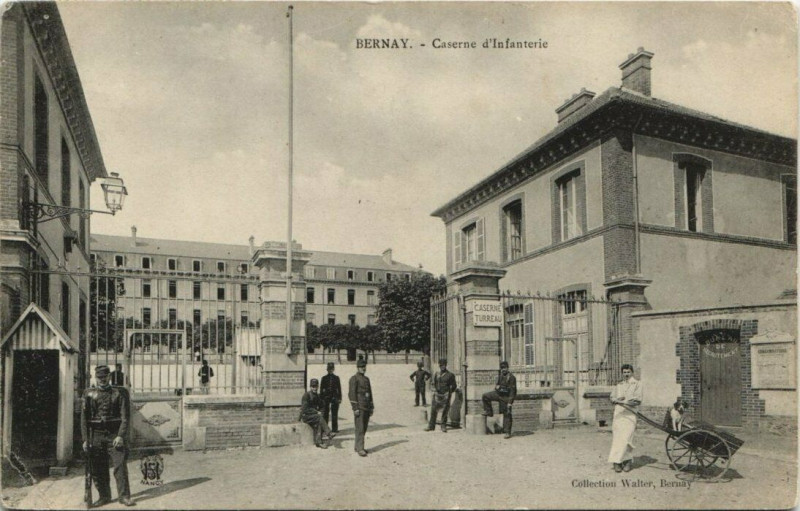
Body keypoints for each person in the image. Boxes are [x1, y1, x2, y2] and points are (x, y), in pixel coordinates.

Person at [81, 365, 135, 507]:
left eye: (105, 377)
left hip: (114, 434)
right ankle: (104, 496)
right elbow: (84, 419)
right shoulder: (88, 394)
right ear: (95, 378)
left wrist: (120, 436)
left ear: (109, 377)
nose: (102, 380)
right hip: (96, 435)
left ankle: (124, 496)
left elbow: (125, 418)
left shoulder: (120, 393)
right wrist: (86, 439)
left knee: (120, 466)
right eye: (99, 378)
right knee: (98, 468)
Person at [608, 364, 643, 473]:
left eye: (628, 372)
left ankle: (627, 461)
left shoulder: (637, 384)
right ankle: (617, 462)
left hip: (630, 415)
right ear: (622, 373)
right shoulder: (619, 385)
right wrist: (615, 400)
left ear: (632, 372)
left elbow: (637, 401)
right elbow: (612, 397)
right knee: (618, 438)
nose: (626, 374)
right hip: (619, 414)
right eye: (624, 372)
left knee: (627, 438)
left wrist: (621, 401)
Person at [481, 361, 517, 439]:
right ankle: (488, 411)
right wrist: (497, 387)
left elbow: (513, 391)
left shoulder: (511, 377)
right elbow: (497, 385)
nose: (503, 370)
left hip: (506, 397)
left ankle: (507, 432)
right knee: (485, 396)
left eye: (504, 368)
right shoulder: (500, 376)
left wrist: (510, 402)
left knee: (507, 413)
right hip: (499, 394)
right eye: (502, 368)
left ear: (507, 368)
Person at [299, 379, 335, 449]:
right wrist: (316, 412)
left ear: (318, 387)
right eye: (313, 386)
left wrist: (321, 412)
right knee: (319, 418)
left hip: (314, 416)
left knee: (319, 421)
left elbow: (322, 406)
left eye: (316, 386)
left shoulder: (317, 396)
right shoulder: (306, 395)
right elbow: (305, 409)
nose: (314, 388)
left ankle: (319, 442)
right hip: (306, 416)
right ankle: (329, 433)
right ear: (310, 387)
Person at [348, 358, 374, 457]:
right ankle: (360, 448)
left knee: (364, 427)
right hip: (360, 407)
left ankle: (357, 446)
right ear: (357, 368)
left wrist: (371, 407)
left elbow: (370, 394)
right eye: (361, 367)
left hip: (366, 406)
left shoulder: (367, 379)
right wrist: (355, 408)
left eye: (364, 367)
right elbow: (351, 394)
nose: (364, 368)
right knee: (360, 428)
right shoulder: (354, 379)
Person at [425, 358, 456, 433]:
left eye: (444, 365)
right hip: (437, 395)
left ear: (446, 365)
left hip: (446, 395)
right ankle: (431, 426)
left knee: (445, 411)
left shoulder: (450, 375)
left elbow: (454, 386)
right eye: (441, 365)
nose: (442, 366)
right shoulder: (436, 374)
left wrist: (449, 392)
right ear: (439, 365)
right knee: (433, 410)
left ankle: (443, 425)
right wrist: (434, 390)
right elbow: (434, 383)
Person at [320, 362, 342, 433]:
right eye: (329, 369)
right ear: (327, 370)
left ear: (333, 369)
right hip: (326, 397)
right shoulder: (324, 378)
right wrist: (321, 399)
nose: (330, 370)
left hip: (334, 397)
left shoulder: (336, 378)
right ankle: (325, 429)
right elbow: (321, 389)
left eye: (332, 369)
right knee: (326, 413)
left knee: (334, 414)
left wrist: (339, 398)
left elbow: (339, 388)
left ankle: (334, 429)